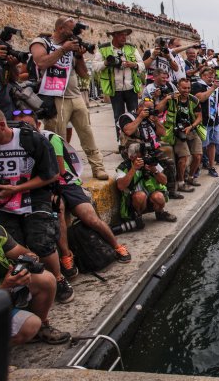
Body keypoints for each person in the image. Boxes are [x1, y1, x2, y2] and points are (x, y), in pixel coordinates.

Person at [0, 105, 74, 303]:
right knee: (14, 245)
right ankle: (25, 284)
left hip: (32, 197)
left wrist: (16, 189)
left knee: (42, 242)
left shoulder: (31, 140)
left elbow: (51, 175)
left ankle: (58, 278)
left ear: (1, 125)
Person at [15, 110, 133, 272]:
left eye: (29, 126)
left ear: (38, 125)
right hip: (44, 187)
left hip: (66, 183)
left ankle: (116, 245)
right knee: (58, 212)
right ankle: (66, 255)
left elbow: (59, 171)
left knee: (90, 217)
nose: (24, 130)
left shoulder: (50, 138)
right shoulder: (16, 145)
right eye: (20, 127)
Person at [0, 189, 70, 345]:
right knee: (28, 326)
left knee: (46, 279)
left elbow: (22, 252)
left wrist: (28, 260)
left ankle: (41, 328)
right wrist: (4, 287)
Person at [30, 17, 109, 180]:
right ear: (60, 29)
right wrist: (63, 50)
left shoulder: (72, 46)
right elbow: (41, 63)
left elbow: (84, 74)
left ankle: (98, 167)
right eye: (71, 29)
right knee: (58, 137)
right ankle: (62, 170)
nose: (74, 33)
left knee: (87, 133)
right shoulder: (42, 42)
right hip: (55, 97)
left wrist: (79, 56)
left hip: (75, 95)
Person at [94, 24, 145, 133]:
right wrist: (106, 62)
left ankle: (135, 138)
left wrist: (134, 65)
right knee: (118, 118)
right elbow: (95, 67)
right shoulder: (103, 48)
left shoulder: (131, 48)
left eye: (125, 35)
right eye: (121, 35)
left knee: (134, 116)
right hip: (115, 90)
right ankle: (120, 140)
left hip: (131, 88)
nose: (124, 37)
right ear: (114, 35)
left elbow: (142, 65)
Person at [115, 142, 176, 223]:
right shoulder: (124, 167)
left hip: (151, 198)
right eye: (140, 157)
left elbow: (164, 181)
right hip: (135, 202)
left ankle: (160, 212)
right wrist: (133, 169)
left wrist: (154, 170)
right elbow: (121, 186)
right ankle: (138, 216)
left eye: (143, 155)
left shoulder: (150, 161)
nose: (144, 158)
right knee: (140, 196)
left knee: (159, 197)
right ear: (132, 157)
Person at [163, 78, 204, 191]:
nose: (186, 90)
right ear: (178, 87)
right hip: (176, 132)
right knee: (183, 158)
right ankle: (181, 182)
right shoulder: (172, 98)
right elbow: (158, 109)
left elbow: (199, 117)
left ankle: (190, 177)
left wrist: (191, 127)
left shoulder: (193, 99)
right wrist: (166, 99)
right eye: (184, 88)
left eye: (188, 88)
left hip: (191, 130)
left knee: (198, 156)